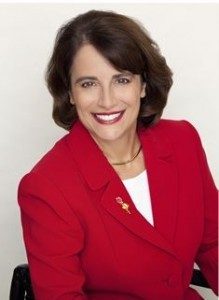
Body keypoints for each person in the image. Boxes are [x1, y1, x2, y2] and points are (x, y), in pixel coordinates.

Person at [18, 9, 218, 300]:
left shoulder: (182, 140)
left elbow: (213, 243)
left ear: (143, 85)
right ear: (70, 93)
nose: (107, 100)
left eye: (122, 79)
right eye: (88, 84)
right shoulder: (46, 188)